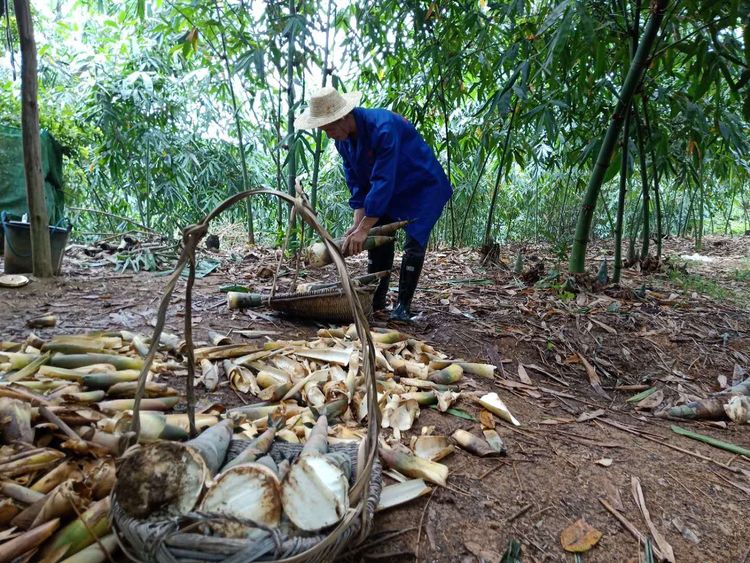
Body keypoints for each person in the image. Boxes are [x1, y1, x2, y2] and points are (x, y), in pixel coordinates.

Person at [295, 86, 452, 321]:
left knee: (414, 243)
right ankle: (376, 300)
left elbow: (383, 180)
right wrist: (358, 225)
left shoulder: (383, 128)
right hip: (390, 190)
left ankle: (402, 308)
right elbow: (357, 181)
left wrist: (364, 228)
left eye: (328, 128)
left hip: (421, 186)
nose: (327, 134)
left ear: (344, 118)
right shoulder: (343, 141)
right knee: (379, 241)